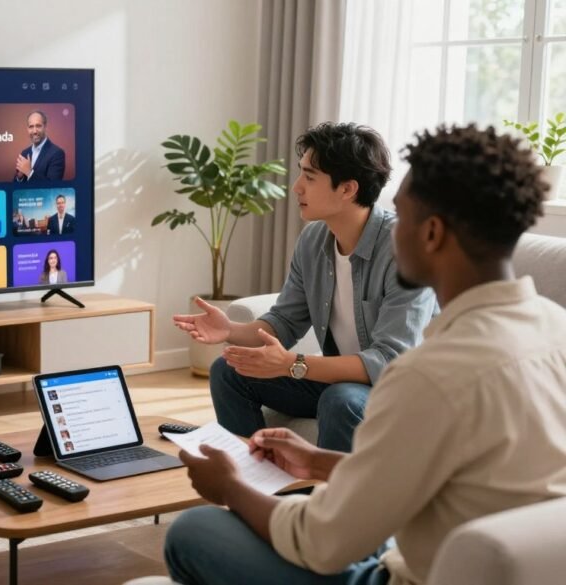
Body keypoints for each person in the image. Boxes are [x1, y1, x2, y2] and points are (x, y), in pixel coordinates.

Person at [163, 124, 566, 585]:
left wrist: (229, 488)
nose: (392, 229)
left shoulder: (428, 376)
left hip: (406, 576)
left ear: (430, 232)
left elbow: (321, 544)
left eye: (402, 214)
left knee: (193, 529)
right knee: (235, 377)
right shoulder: (557, 330)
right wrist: (317, 462)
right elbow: (447, 480)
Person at [173, 122, 437, 452]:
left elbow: (388, 361)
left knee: (340, 400)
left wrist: (292, 364)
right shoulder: (314, 240)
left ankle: (324, 502)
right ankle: (255, 484)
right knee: (229, 370)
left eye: (310, 177)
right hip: (338, 382)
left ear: (347, 189)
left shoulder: (403, 250)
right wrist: (230, 330)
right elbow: (284, 322)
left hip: (399, 391)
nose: (297, 187)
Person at [14, 110, 66, 182]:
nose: (34, 131)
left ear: (45, 127)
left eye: (38, 126)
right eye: (31, 127)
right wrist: (19, 177)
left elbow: (53, 187)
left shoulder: (57, 153)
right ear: (27, 129)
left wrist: (29, 173)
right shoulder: (24, 153)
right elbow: (14, 186)